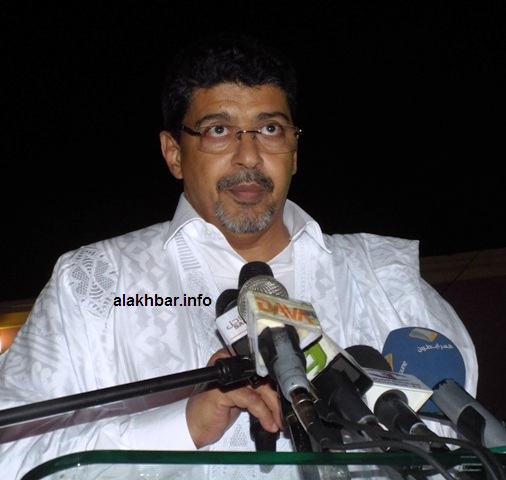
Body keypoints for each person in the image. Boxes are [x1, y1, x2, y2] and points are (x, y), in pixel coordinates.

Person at [0, 34, 478, 479]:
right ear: (174, 153)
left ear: (294, 150)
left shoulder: (384, 279)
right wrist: (181, 427)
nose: (249, 156)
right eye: (218, 130)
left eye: (270, 129)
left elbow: (468, 448)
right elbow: (10, 454)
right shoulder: (97, 284)